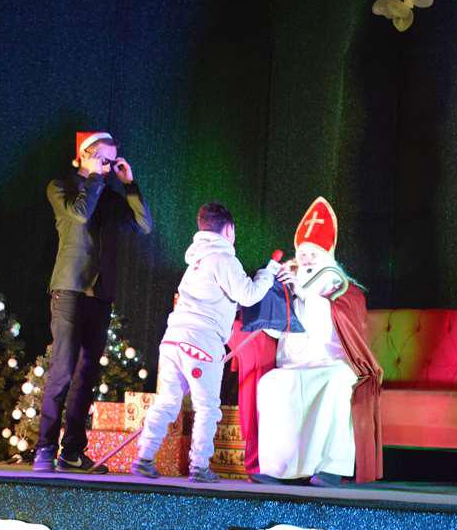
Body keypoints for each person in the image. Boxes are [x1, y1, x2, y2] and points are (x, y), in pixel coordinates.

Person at [129, 203, 284, 482]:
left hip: (173, 340)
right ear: (229, 230)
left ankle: (144, 458)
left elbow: (224, 299)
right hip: (200, 343)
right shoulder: (223, 258)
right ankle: (199, 466)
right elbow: (248, 294)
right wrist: (268, 272)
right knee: (207, 407)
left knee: (167, 401)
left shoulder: (196, 262)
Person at [235, 197, 384, 487]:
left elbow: (337, 322)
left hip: (332, 363)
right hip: (294, 365)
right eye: (302, 253)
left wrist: (305, 295)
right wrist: (272, 299)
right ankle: (278, 469)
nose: (305, 259)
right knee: (271, 383)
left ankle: (329, 468)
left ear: (326, 255)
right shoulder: (291, 279)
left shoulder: (342, 287)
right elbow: (280, 330)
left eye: (313, 253)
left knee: (336, 383)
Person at [33, 131, 153, 473]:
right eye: (103, 160)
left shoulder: (111, 196)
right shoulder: (61, 188)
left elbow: (144, 225)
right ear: (84, 156)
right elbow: (81, 213)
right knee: (62, 370)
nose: (108, 167)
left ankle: (71, 452)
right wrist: (96, 178)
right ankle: (44, 448)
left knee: (86, 376)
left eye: (112, 162)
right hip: (70, 289)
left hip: (100, 295)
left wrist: (129, 185)